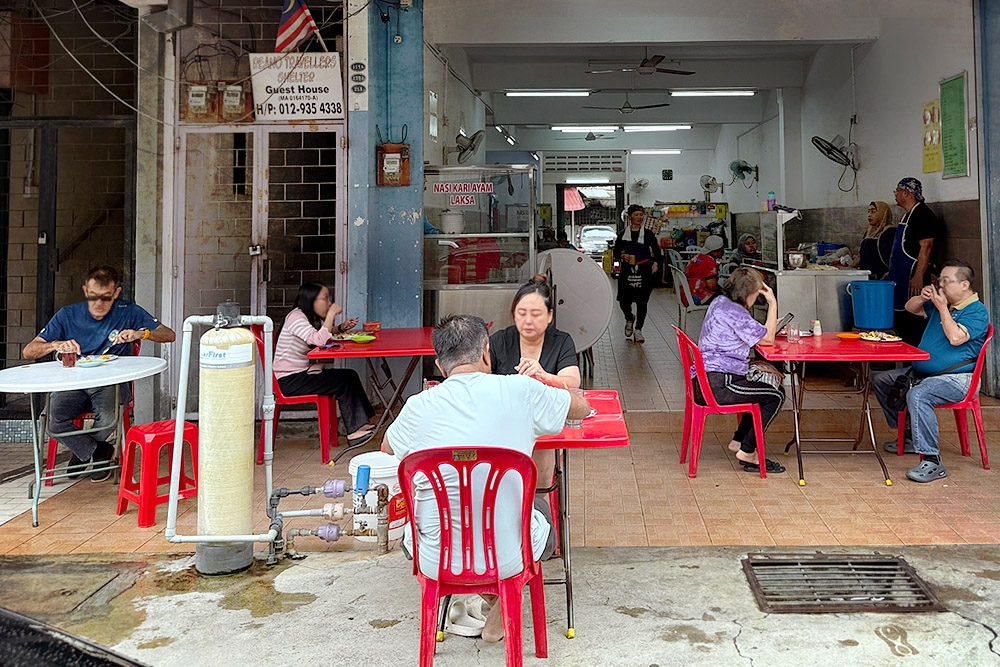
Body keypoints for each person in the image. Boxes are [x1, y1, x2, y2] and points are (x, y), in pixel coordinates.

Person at [382, 314, 590, 642]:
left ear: (439, 365)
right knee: (539, 502)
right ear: (486, 352)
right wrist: (545, 382)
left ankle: (495, 602)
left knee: (426, 521)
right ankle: (503, 601)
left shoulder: (416, 407)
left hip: (436, 557)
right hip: (510, 553)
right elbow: (579, 407)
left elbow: (387, 447)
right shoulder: (520, 390)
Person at [22, 266, 176, 482]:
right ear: (86, 291)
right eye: (93, 297)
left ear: (116, 293)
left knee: (107, 418)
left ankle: (82, 453)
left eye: (106, 298)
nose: (99, 304)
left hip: (111, 382)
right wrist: (56, 344)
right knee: (50, 420)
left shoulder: (128, 311)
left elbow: (169, 335)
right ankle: (97, 452)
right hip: (73, 382)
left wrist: (141, 333)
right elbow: (29, 351)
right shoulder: (68, 314)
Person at [873, 260, 989, 483]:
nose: (941, 285)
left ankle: (932, 460)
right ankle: (908, 435)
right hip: (922, 373)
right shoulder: (942, 303)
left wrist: (943, 308)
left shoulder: (976, 311)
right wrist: (923, 298)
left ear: (964, 284)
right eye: (940, 281)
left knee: (918, 395)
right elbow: (910, 308)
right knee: (882, 380)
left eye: (946, 281)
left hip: (957, 379)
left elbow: (956, 338)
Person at [695, 267, 786, 474]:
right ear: (749, 293)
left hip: (706, 380)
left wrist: (766, 326)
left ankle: (739, 441)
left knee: (760, 390)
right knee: (775, 395)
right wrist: (772, 304)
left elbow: (749, 331)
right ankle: (747, 451)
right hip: (718, 384)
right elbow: (768, 340)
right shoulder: (735, 312)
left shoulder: (720, 302)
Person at [273, 283, 376, 447]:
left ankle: (363, 422)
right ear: (310, 300)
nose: (329, 303)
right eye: (325, 298)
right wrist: (332, 313)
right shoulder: (296, 317)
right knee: (341, 383)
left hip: (299, 374)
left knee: (349, 375)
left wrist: (340, 328)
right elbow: (319, 340)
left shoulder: (303, 317)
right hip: (289, 380)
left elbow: (317, 334)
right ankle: (354, 433)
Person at [887, 177, 940, 344]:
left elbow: (927, 247)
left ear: (906, 192)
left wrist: (918, 276)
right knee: (902, 320)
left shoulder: (923, 215)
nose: (895, 194)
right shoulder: (907, 215)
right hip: (900, 278)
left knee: (914, 321)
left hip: (914, 278)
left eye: (896, 191)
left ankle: (915, 362)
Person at [614, 204, 662, 343]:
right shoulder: (623, 234)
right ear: (629, 217)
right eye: (636, 215)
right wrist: (624, 257)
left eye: (641, 215)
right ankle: (629, 318)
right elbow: (616, 253)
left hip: (644, 271)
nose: (639, 217)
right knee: (624, 301)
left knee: (642, 302)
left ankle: (638, 330)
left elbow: (657, 252)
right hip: (627, 271)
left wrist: (655, 263)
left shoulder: (648, 234)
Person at [851, 201, 895, 279]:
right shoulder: (869, 232)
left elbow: (896, 259)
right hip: (866, 277)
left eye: (873, 212)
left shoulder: (890, 232)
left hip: (882, 279)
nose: (869, 215)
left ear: (883, 214)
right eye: (868, 212)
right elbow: (861, 257)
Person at [684, 235, 725, 306]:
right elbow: (712, 286)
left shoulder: (697, 258)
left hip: (686, 295)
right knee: (729, 300)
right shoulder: (709, 262)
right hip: (698, 297)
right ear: (716, 251)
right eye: (722, 249)